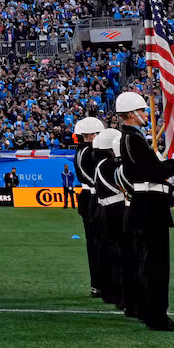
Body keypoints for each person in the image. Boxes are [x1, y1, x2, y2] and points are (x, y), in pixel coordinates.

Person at [113, 91, 174, 331]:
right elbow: (151, 172)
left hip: (148, 204)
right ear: (132, 114)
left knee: (149, 264)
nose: (146, 114)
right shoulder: (131, 138)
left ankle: (149, 311)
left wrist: (169, 192)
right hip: (149, 209)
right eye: (143, 110)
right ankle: (157, 317)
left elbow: (147, 176)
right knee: (156, 266)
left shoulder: (132, 138)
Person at [88, 123, 126, 313]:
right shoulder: (112, 164)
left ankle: (111, 293)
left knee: (109, 254)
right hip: (116, 210)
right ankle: (121, 296)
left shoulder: (101, 163)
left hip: (103, 209)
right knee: (120, 255)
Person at [71, 117, 105, 299]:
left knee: (95, 243)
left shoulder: (81, 151)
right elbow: (93, 177)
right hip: (93, 197)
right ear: (92, 135)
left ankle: (98, 284)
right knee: (99, 243)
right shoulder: (89, 152)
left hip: (88, 197)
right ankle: (101, 284)